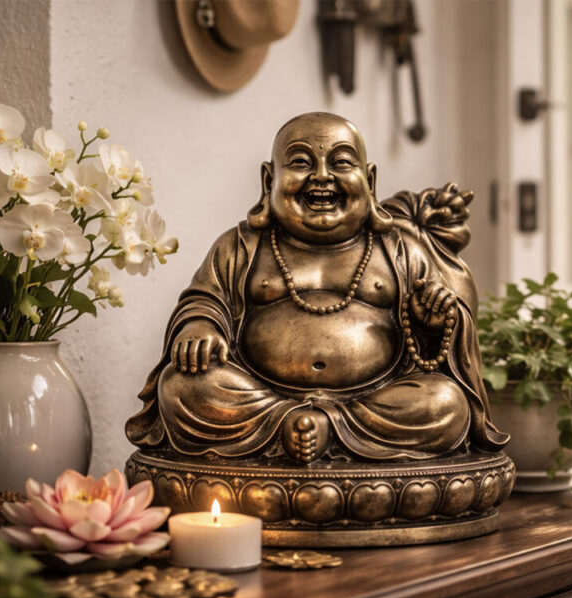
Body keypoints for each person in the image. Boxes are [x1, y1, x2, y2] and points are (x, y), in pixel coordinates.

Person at [126, 112, 507, 464]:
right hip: (261, 399)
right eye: (301, 162)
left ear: (370, 181)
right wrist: (199, 328)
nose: (321, 176)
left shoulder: (399, 249)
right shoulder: (241, 245)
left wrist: (429, 322)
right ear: (268, 180)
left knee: (446, 403)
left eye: (341, 162)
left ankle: (325, 429)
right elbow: (205, 299)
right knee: (181, 388)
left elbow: (435, 350)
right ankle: (286, 423)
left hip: (374, 401)